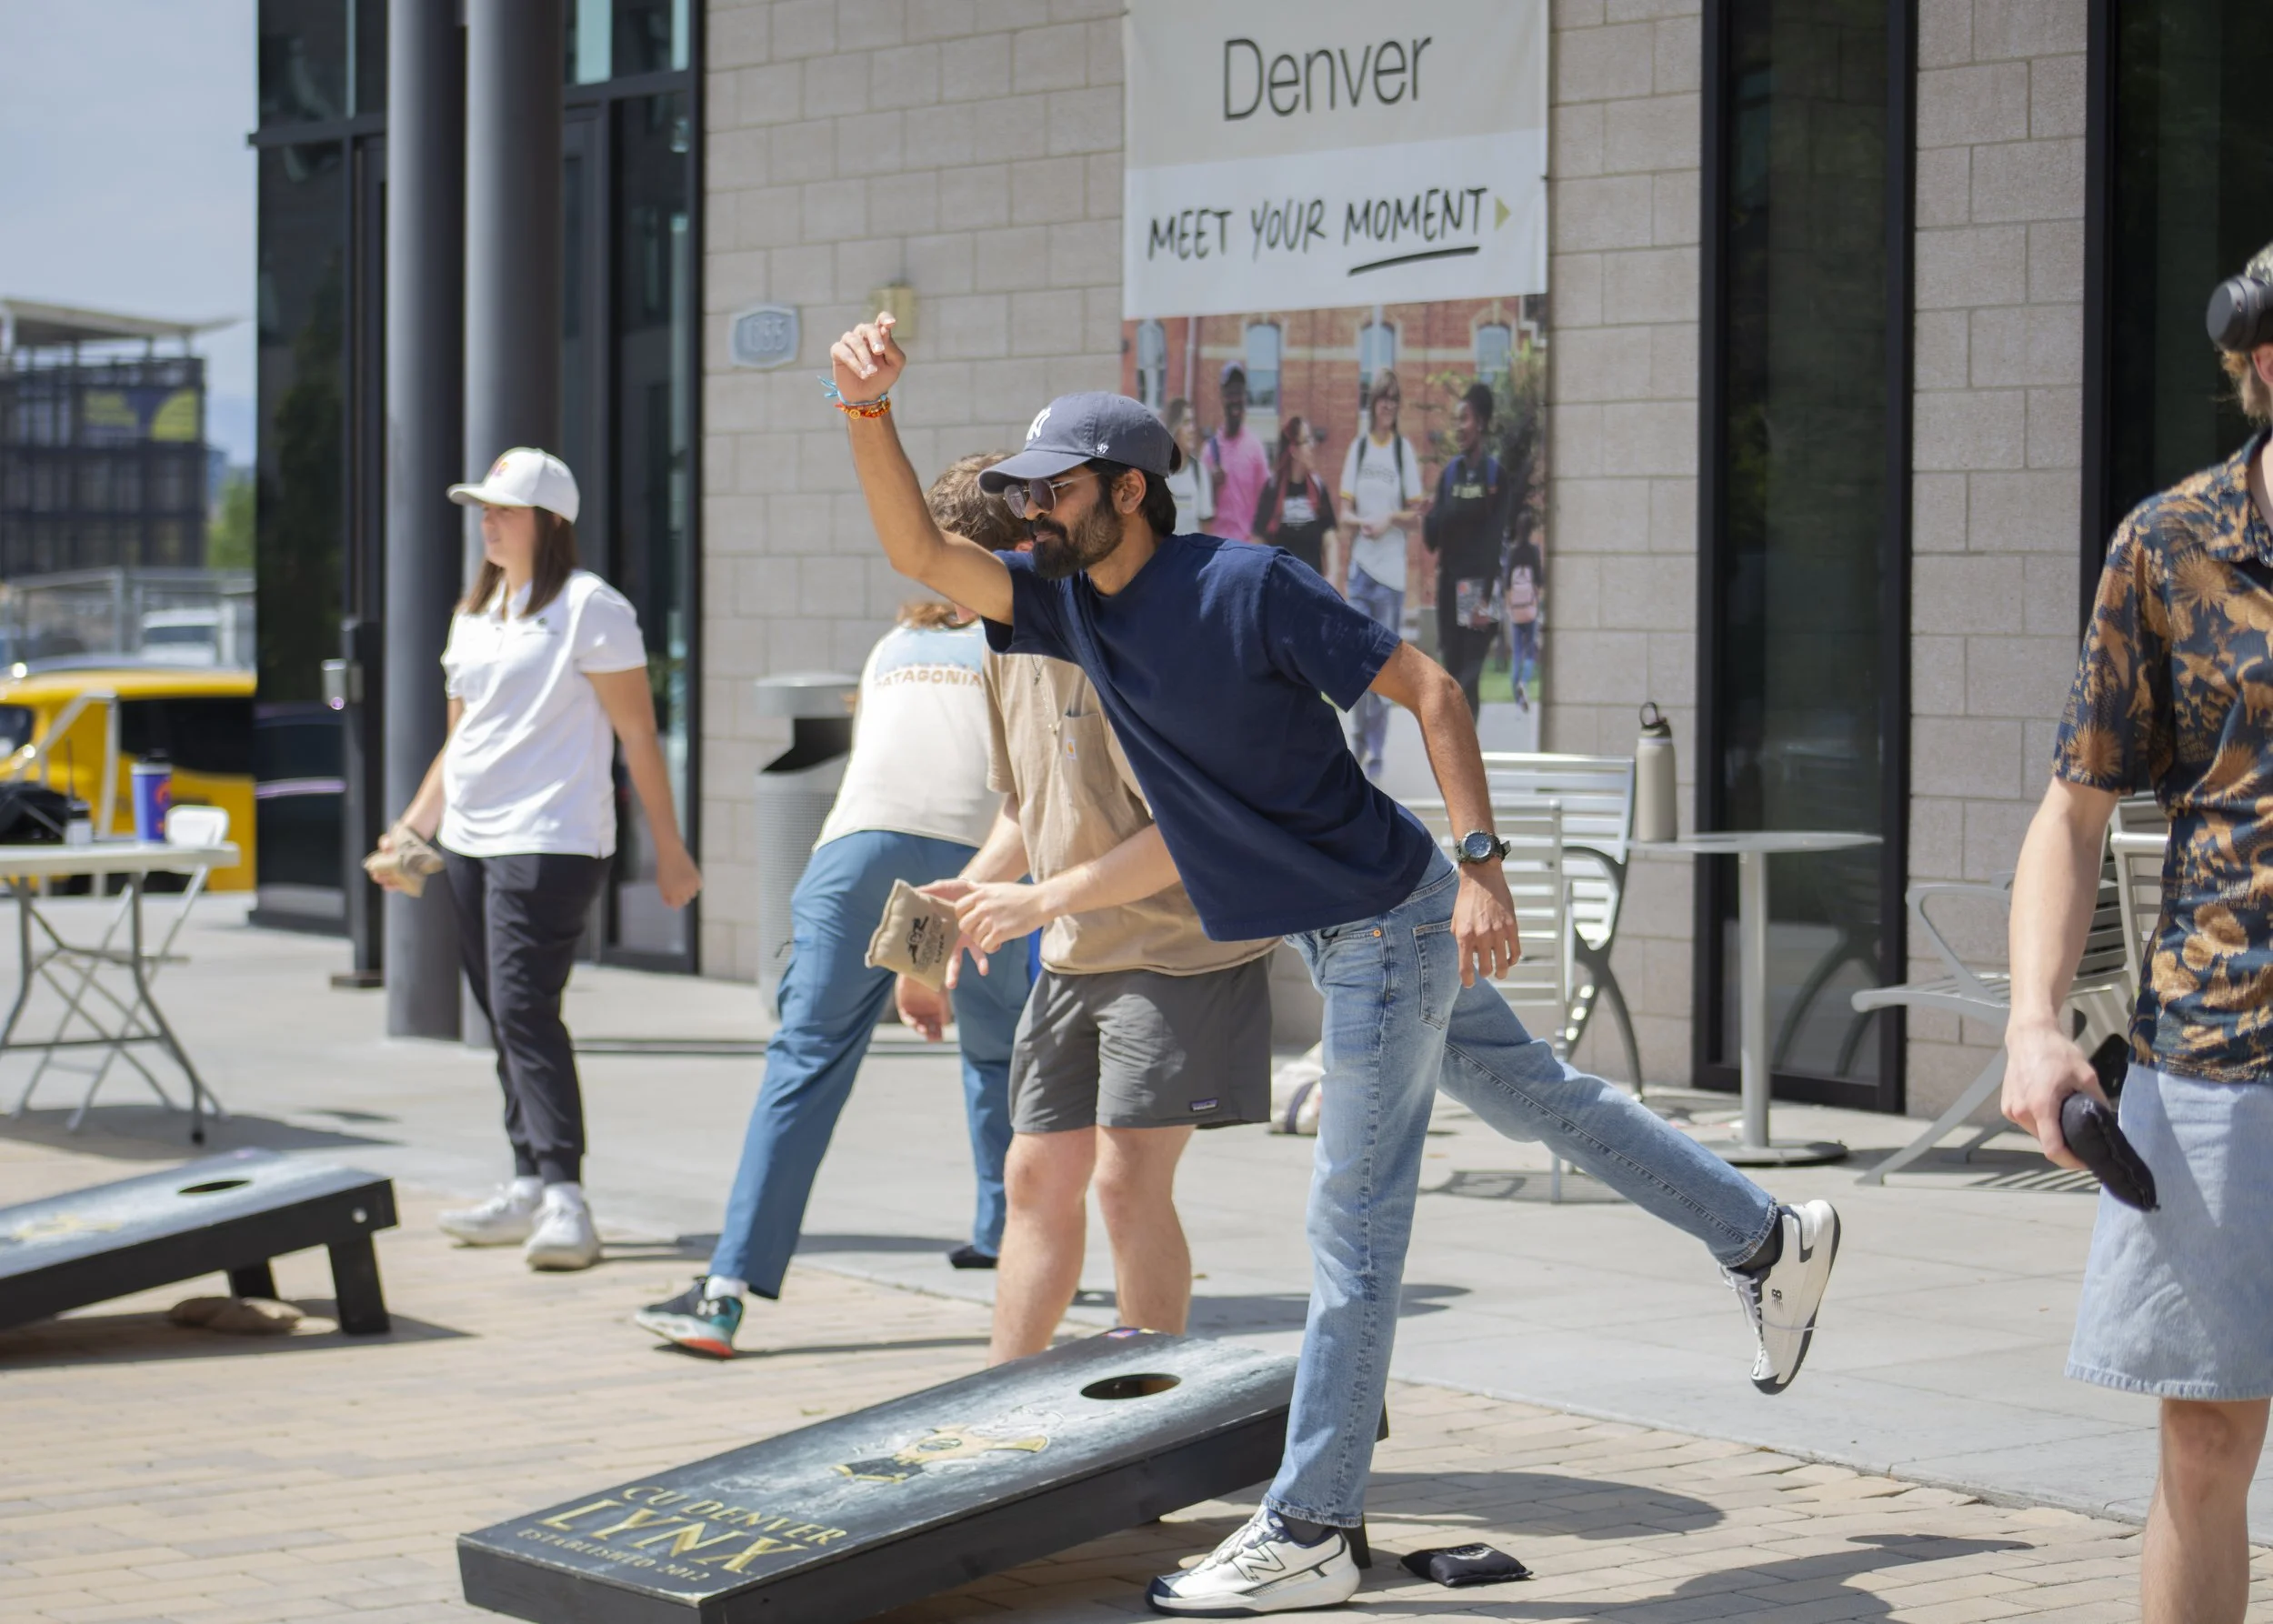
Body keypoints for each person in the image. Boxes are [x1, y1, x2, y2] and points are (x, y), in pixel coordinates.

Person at [826, 315, 1841, 1618]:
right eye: (1023, 492)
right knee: (1548, 1104)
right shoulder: (1071, 611)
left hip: (1388, 919)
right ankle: (1767, 1235)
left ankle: (1312, 1523)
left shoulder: (1245, 586)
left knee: (1352, 1232)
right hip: (1343, 924)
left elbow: (1434, 690)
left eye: (1055, 488)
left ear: (1126, 490)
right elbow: (918, 548)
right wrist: (865, 412)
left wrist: (1481, 861)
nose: (1032, 510)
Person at [2001, 241, 2273, 1624]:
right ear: (2266, 362)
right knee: (2209, 1438)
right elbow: (2073, 810)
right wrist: (2037, 1022)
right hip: (2225, 1054)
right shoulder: (2169, 548)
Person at [632, 458, 1034, 1358]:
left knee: (805, 1063)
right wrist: (927, 955)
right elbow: (1014, 793)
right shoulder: (1024, 639)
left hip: (853, 859)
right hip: (968, 863)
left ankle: (725, 1290)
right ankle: (1004, 1235)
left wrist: (915, 957)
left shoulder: (891, 651)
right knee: (997, 1046)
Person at [896, 452, 1278, 1366]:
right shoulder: (999, 652)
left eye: (959, 578)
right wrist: (964, 902)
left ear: (1015, 560)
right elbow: (1028, 810)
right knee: (1033, 1177)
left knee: (1126, 1180)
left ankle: (1144, 1419)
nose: (946, 604)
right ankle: (996, 1402)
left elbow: (1185, 832)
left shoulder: (1127, 651)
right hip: (1076, 949)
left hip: (1178, 947)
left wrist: (1039, 899)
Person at [377, 447, 701, 1271]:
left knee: (524, 1008)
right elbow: (463, 738)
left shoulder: (594, 609)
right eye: (482, 508)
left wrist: (670, 849)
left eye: (504, 509)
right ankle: (527, 1180)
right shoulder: (476, 611)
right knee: (502, 1012)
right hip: (471, 839)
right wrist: (412, 827)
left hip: (553, 836)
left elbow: (636, 734)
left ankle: (567, 1198)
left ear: (550, 522)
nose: (487, 520)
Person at [1337, 369, 1427, 780]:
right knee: (1357, 661)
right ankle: (1358, 736)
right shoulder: (1358, 450)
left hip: (1390, 578)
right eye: (1382, 399)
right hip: (1361, 572)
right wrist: (1361, 523)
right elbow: (1344, 514)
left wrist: (1390, 518)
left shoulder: (1401, 452)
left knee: (1383, 668)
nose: (1388, 407)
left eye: (1394, 400)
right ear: (1372, 404)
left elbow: (1416, 515)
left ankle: (1376, 746)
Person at [1422, 385, 1513, 717]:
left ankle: (1465, 760)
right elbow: (1434, 540)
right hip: (1450, 588)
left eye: (1465, 419)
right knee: (1453, 681)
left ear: (1482, 423)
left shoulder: (1495, 476)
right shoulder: (1449, 475)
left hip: (1478, 590)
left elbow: (1494, 540)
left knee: (1469, 681)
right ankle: (1458, 762)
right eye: (1456, 420)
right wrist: (1428, 515)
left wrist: (1485, 599)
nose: (1459, 427)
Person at [1252, 416, 1337, 579]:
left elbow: (1330, 537)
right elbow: (1257, 539)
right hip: (1280, 589)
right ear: (1294, 450)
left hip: (1312, 588)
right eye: (1306, 441)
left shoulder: (1318, 487)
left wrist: (1332, 576)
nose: (1312, 446)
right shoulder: (1272, 489)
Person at [1202, 362, 1269, 544]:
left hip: (1246, 549)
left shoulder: (1255, 448)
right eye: (1231, 393)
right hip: (1215, 550)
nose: (1235, 400)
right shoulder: (1209, 450)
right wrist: (1212, 484)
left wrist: (1258, 543)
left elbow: (1267, 504)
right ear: (1222, 398)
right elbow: (1201, 509)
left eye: (1239, 393)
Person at [1502, 529, 1543, 714]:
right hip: (1530, 609)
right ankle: (1523, 682)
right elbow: (1539, 581)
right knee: (1530, 651)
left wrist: (1510, 606)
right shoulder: (1534, 551)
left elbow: (1507, 584)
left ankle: (1518, 699)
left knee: (1517, 652)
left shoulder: (1513, 552)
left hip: (1516, 611)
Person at [1162, 397, 1214, 536]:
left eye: (1193, 422)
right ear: (1174, 427)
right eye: (1186, 422)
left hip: (1192, 557)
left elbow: (1206, 528)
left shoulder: (1200, 471)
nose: (1192, 429)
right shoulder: (1157, 472)